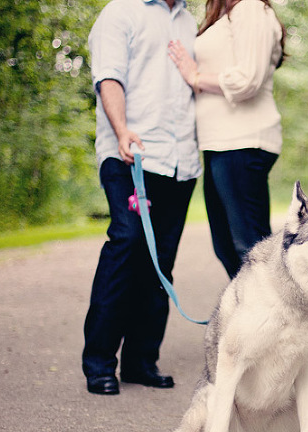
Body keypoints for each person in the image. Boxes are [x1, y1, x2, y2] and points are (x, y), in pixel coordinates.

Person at [82, 0, 202, 395]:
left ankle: (140, 361)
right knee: (127, 243)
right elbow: (108, 78)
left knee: (160, 261)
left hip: (180, 163)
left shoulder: (188, 21)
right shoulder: (121, 12)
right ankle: (99, 362)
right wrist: (121, 130)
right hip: (129, 155)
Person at [168, 0, 286, 279]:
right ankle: (254, 305)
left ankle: (274, 307)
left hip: (242, 141)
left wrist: (195, 76)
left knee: (250, 249)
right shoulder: (223, 13)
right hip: (220, 144)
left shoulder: (250, 8)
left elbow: (248, 79)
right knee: (228, 248)